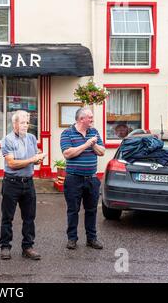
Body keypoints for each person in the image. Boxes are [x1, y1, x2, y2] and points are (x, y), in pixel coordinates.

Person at [0, 110, 47, 260]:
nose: (26, 125)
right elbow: (12, 163)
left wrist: (38, 159)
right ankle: (5, 246)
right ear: (14, 124)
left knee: (29, 217)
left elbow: (34, 157)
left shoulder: (32, 138)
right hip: (11, 183)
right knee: (8, 217)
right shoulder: (8, 140)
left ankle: (28, 247)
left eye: (27, 122)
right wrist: (33, 159)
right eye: (22, 122)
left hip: (28, 183)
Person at [60, 107, 105, 250]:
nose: (92, 120)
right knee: (73, 210)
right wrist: (86, 144)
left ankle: (92, 239)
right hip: (74, 179)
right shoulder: (67, 133)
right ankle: (72, 239)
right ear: (81, 119)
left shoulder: (94, 132)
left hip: (92, 179)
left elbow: (102, 152)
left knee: (91, 210)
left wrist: (94, 144)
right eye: (90, 117)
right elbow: (67, 153)